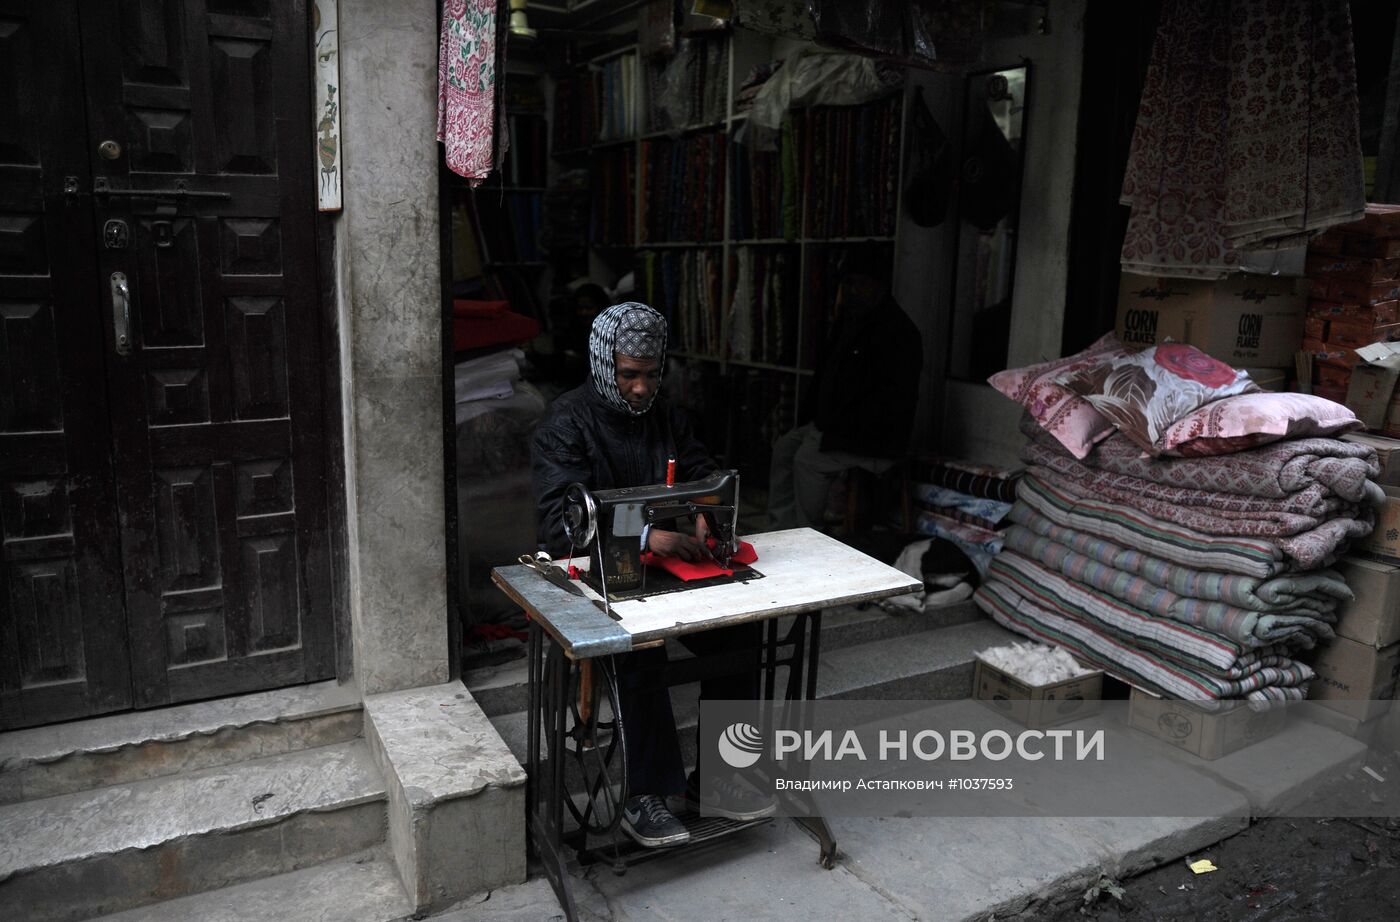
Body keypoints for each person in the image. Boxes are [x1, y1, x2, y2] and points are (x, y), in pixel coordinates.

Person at [531, 301, 773, 849]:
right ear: (603, 364)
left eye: (651, 375)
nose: (641, 389)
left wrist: (709, 509)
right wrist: (643, 536)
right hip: (594, 574)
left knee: (740, 634)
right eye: (629, 375)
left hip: (659, 571)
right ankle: (646, 794)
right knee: (641, 647)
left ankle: (719, 778)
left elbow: (700, 469)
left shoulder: (666, 415)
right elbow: (557, 522)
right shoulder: (564, 424)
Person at [768, 250, 923, 530]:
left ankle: (807, 533)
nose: (854, 291)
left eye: (862, 284)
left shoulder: (898, 332)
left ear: (880, 286)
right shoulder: (850, 321)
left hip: (873, 436)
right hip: (837, 426)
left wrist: (831, 429)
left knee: (807, 460)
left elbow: (889, 404)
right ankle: (781, 528)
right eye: (849, 284)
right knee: (783, 449)